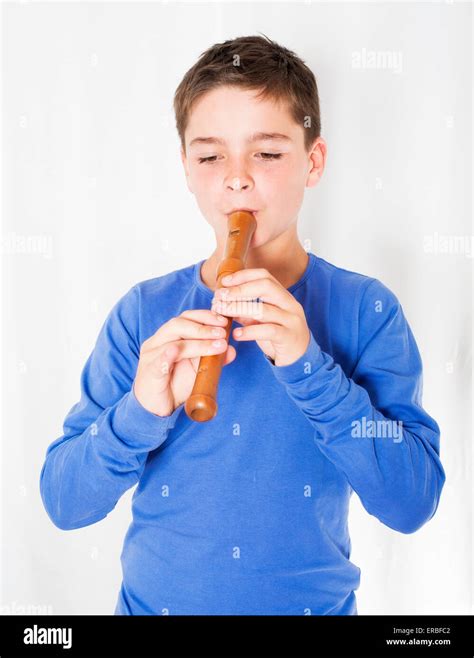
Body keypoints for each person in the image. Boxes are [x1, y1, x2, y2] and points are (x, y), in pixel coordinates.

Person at [39, 34, 445, 615]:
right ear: (186, 168)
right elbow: (63, 501)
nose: (236, 178)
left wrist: (311, 370)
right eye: (210, 156)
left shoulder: (365, 310)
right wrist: (141, 410)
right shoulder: (143, 312)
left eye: (268, 153)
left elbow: (411, 503)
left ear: (314, 161)